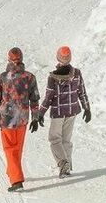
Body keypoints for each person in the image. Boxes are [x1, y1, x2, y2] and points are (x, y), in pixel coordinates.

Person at [0, 48, 41, 192]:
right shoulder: (29, 77)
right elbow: (34, 98)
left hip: (7, 119)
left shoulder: (3, 77)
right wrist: (35, 117)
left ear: (8, 59)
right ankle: (13, 171)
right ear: (21, 59)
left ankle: (16, 180)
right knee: (17, 148)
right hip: (22, 119)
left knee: (9, 149)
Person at [36, 46, 92, 177]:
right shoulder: (77, 73)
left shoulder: (53, 77)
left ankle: (63, 163)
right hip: (72, 111)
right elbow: (82, 92)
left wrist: (40, 113)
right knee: (66, 140)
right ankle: (67, 167)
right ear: (70, 58)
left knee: (55, 139)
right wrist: (87, 108)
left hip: (58, 113)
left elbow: (48, 98)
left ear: (57, 58)